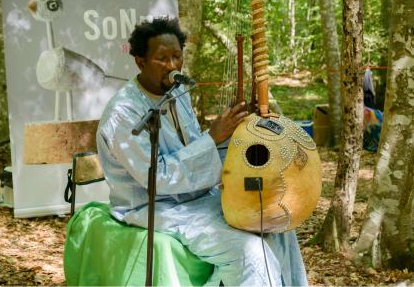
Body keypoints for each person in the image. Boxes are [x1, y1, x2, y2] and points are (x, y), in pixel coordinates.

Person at [97, 17, 308, 286]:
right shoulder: (123, 113)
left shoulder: (178, 90)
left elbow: (197, 148)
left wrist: (233, 130)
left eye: (177, 56)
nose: (173, 66)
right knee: (250, 252)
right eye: (162, 58)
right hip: (154, 206)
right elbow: (157, 177)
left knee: (275, 222)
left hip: (196, 197)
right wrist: (212, 138)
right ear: (140, 62)